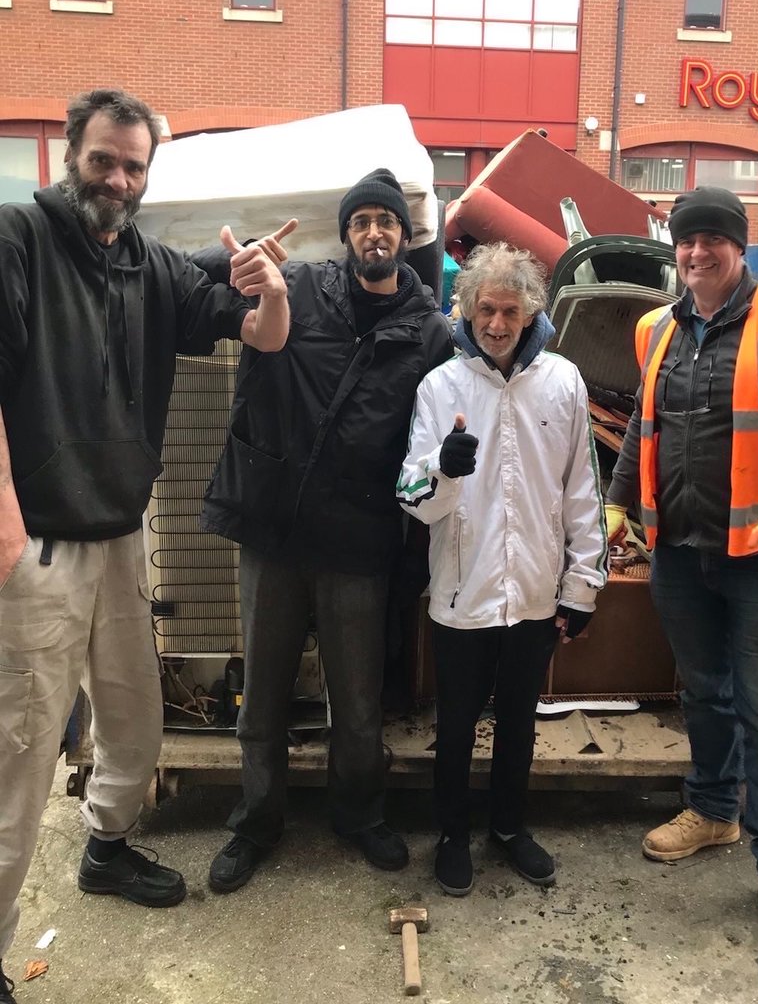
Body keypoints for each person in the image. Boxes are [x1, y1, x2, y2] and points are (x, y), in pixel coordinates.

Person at [0, 88, 290, 1003]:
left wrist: (268, 286)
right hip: (40, 548)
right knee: (20, 758)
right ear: (70, 155)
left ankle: (107, 848)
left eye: (133, 166)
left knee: (134, 719)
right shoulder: (19, 238)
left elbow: (260, 333)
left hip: (123, 534)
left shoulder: (150, 265)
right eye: (104, 160)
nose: (118, 179)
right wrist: (3, 516)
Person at [605, 186, 758, 972]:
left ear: (739, 247)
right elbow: (642, 422)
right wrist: (619, 502)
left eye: (712, 239)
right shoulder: (657, 328)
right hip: (680, 553)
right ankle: (715, 810)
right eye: (686, 240)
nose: (696, 252)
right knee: (705, 693)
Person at [197, 168, 453, 892]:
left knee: (359, 700)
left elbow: (445, 418)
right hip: (274, 527)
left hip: (357, 538)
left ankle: (360, 815)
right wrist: (240, 255)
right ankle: (256, 822)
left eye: (387, 221)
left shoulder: (430, 332)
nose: (374, 232)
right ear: (345, 234)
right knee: (263, 697)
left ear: (406, 236)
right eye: (361, 220)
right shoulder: (299, 285)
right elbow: (203, 277)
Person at [397, 243, 608, 896]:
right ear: (466, 309)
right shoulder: (441, 387)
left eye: (510, 311)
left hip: (536, 592)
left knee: (519, 722)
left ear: (531, 312)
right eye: (486, 309)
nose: (496, 324)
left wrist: (582, 587)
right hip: (464, 591)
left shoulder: (564, 382)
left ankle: (510, 828)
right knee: (457, 725)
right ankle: (452, 835)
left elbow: (582, 491)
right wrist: (443, 469)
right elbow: (411, 496)